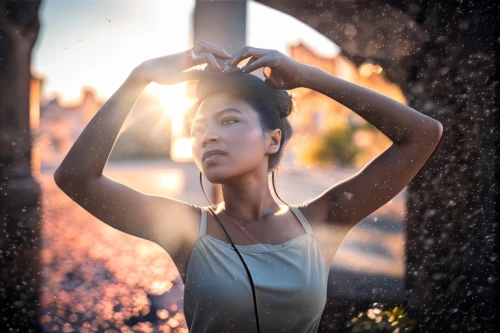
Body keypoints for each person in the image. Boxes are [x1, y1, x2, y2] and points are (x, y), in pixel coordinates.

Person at [54, 40, 443, 332]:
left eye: (227, 121)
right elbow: (75, 179)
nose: (207, 137)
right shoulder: (189, 231)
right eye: (198, 128)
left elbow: (422, 134)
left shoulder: (323, 220)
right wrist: (140, 77)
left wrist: (310, 77)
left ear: (272, 140)